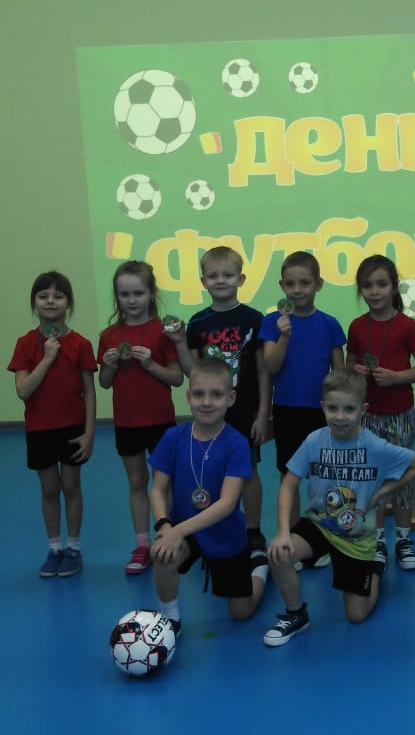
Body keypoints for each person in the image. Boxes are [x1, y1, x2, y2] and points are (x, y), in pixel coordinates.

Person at [263, 368, 415, 646]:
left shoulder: (374, 445)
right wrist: (282, 532)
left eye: (349, 409)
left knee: (356, 616)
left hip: (357, 536)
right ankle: (295, 613)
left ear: (363, 409)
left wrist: (381, 492)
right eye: (333, 408)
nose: (340, 416)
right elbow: (288, 484)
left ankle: (376, 565)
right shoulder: (314, 441)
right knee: (278, 553)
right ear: (323, 407)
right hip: (319, 524)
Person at [149, 358, 269, 630]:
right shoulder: (173, 438)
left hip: (225, 534)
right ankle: (171, 620)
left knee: (241, 612)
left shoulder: (236, 443)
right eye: (199, 394)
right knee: (162, 554)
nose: (206, 402)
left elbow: (227, 503)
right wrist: (165, 526)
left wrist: (177, 532)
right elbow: (157, 489)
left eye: (216, 395)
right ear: (188, 396)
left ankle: (260, 566)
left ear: (231, 398)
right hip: (184, 528)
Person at [168, 246, 270, 554]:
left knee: (248, 472)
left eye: (227, 275)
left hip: (246, 412)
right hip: (211, 415)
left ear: (241, 279)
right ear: (203, 281)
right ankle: (213, 528)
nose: (221, 280)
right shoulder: (198, 322)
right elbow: (193, 371)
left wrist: (262, 414)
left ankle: (253, 531)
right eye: (213, 276)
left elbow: (264, 371)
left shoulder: (254, 319)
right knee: (212, 472)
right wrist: (179, 342)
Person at [8, 271, 97, 577]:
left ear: (68, 303)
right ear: (33, 302)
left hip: (72, 427)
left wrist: (89, 433)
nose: (50, 301)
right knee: (49, 489)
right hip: (39, 428)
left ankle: (73, 547)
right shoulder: (24, 344)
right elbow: (23, 391)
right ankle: (55, 547)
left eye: (58, 295)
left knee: (71, 486)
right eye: (43, 295)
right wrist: (46, 358)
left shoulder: (81, 344)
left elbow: (89, 392)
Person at [347, 255, 415, 570]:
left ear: (394, 287)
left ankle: (404, 540)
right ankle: (379, 538)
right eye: (367, 285)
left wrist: (397, 377)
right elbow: (348, 364)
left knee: (402, 474)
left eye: (381, 284)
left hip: (399, 414)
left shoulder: (407, 325)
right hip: (367, 415)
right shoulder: (357, 326)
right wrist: (356, 370)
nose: (374, 291)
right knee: (372, 475)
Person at [98, 261, 183, 575]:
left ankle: (168, 537)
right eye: (124, 294)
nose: (131, 300)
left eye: (138, 293)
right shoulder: (109, 335)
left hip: (160, 420)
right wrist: (109, 365)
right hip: (126, 421)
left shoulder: (164, 331)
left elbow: (176, 378)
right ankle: (142, 544)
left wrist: (150, 365)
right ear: (117, 297)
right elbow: (104, 382)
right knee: (136, 482)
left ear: (151, 294)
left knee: (164, 482)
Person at [260, 250, 346, 527]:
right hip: (286, 409)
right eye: (290, 283)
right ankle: (292, 531)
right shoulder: (272, 322)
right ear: (281, 286)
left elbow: (340, 375)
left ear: (318, 284)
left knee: (323, 475)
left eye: (305, 283)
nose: (297, 290)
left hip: (322, 412)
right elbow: (271, 366)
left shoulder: (330, 324)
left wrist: (341, 412)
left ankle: (321, 531)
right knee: (289, 474)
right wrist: (284, 336)